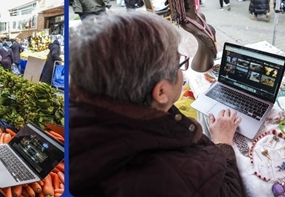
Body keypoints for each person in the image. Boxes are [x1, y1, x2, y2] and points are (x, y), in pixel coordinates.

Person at [69, 12, 245, 195]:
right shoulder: (175, 177)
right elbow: (230, 192)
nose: (182, 71)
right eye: (179, 63)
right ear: (161, 92)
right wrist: (223, 142)